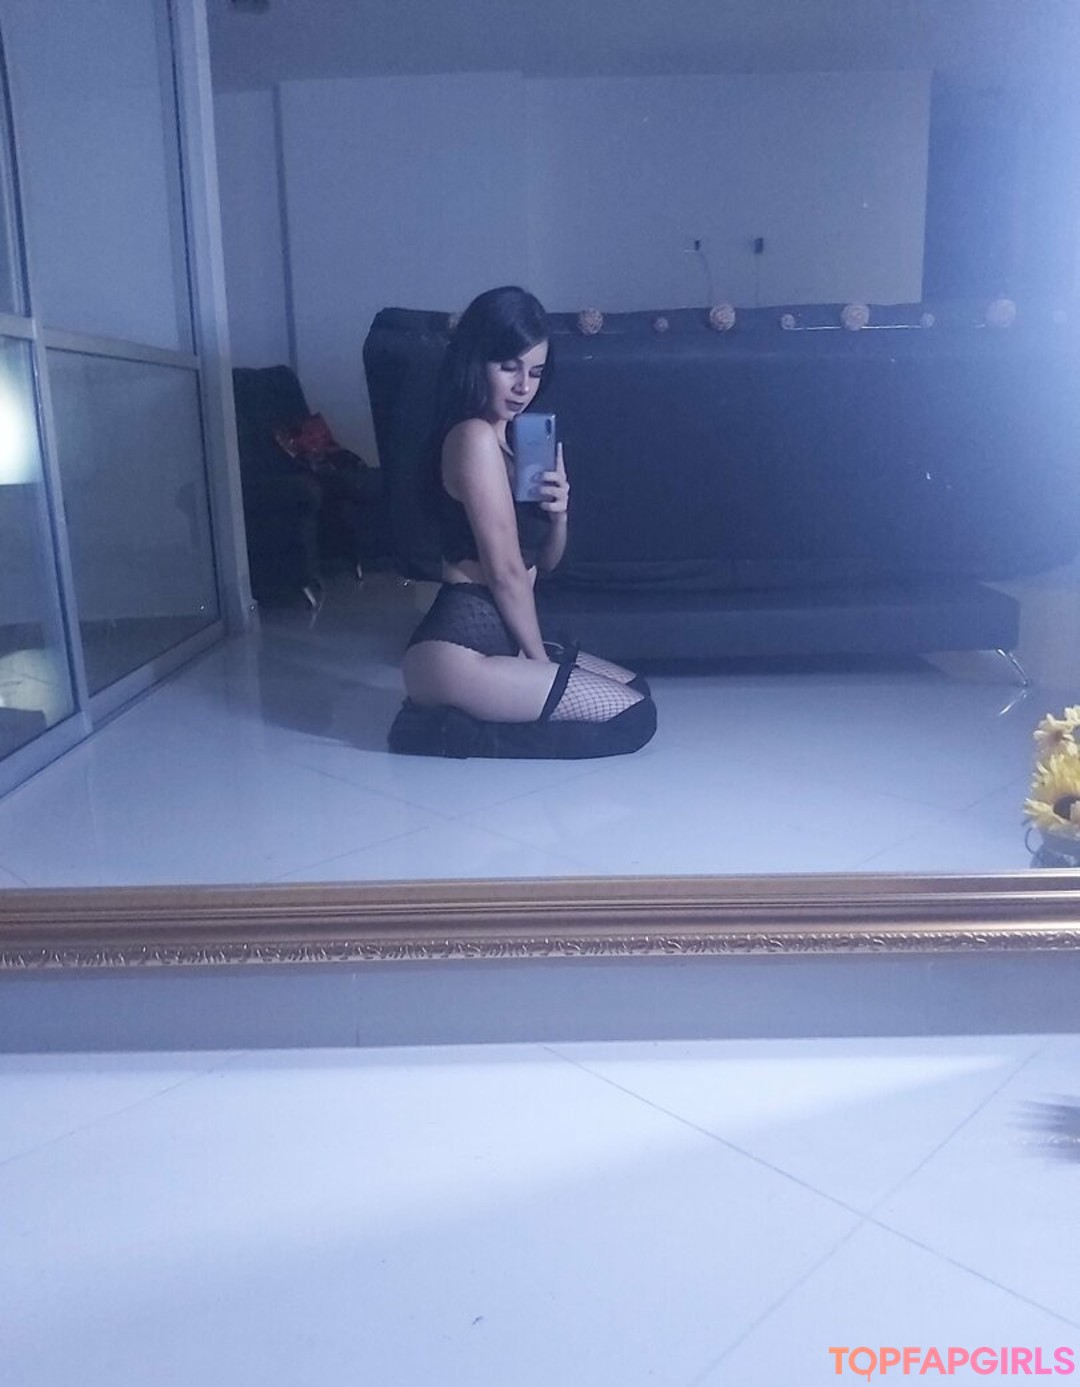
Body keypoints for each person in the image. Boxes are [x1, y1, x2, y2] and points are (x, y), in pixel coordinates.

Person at [401, 285, 653, 738]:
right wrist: (538, 661)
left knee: (635, 690)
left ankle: (459, 714)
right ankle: (433, 730)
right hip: (463, 644)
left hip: (504, 635)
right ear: (475, 361)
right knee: (633, 718)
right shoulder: (473, 437)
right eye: (508, 367)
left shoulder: (514, 445)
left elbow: (545, 564)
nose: (523, 387)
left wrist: (559, 515)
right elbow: (504, 573)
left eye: (535, 372)